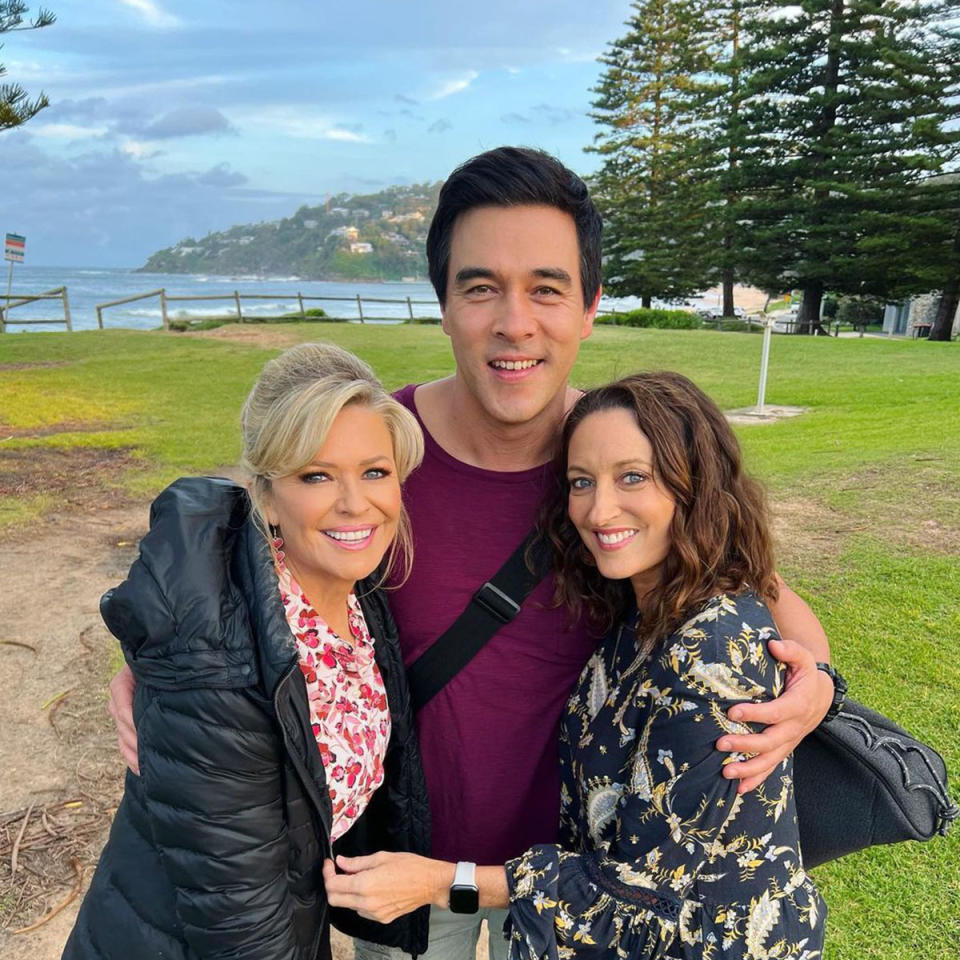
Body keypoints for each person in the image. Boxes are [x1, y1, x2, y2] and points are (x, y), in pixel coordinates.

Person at [107, 147, 835, 960]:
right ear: (444, 305)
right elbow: (249, 572)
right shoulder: (375, 453)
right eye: (481, 286)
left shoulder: (626, 460)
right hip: (407, 866)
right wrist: (153, 666)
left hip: (580, 869)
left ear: (590, 306)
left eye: (547, 290)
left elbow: (756, 593)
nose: (514, 322)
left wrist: (814, 686)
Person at [324, 371, 827, 960]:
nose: (599, 509)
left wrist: (437, 881)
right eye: (581, 482)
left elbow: (633, 889)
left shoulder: (714, 651)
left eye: (633, 477)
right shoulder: (640, 610)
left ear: (698, 486)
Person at [64, 343, 431, 960]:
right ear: (264, 496)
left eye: (375, 471)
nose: (355, 503)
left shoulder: (354, 589)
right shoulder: (220, 667)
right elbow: (238, 921)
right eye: (316, 475)